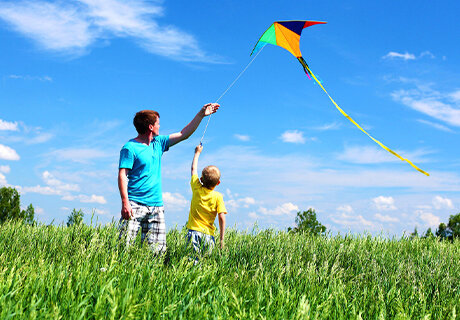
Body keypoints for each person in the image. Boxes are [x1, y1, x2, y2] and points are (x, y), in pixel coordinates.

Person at [118, 103, 219, 254]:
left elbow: (184, 133)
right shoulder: (129, 147)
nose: (160, 126)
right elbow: (122, 175)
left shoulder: (158, 143)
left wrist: (201, 114)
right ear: (151, 127)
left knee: (157, 253)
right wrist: (125, 202)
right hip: (134, 204)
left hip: (156, 206)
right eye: (158, 123)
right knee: (123, 249)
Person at [186, 144, 227, 259]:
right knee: (206, 263)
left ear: (201, 179)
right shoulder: (218, 197)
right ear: (218, 183)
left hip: (193, 232)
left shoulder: (196, 188)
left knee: (192, 263)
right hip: (209, 236)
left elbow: (193, 169)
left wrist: (197, 153)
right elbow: (222, 217)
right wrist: (221, 239)